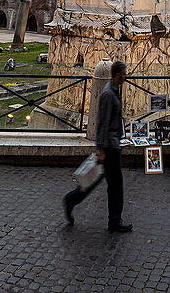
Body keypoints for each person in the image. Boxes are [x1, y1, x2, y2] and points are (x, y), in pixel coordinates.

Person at [64, 60, 132, 232]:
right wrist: (101, 149)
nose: (126, 76)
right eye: (124, 73)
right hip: (109, 147)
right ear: (117, 75)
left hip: (111, 144)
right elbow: (101, 122)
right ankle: (114, 221)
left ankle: (72, 199)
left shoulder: (114, 90)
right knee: (115, 185)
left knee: (95, 180)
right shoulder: (108, 94)